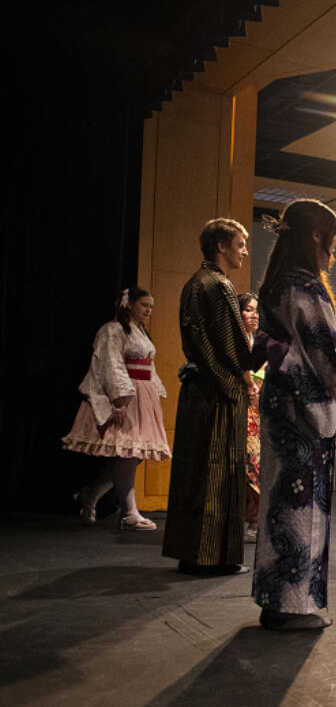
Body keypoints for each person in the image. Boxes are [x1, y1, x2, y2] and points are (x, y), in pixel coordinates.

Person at [250, 200, 336, 631]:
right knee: (303, 506)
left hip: (279, 401)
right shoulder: (306, 290)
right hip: (305, 408)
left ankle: (274, 598)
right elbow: (326, 354)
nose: (333, 249)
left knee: (278, 500)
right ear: (316, 237)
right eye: (332, 239)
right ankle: (294, 604)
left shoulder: (276, 287)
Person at [162, 218, 255, 577]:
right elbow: (230, 345)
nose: (244, 251)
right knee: (217, 471)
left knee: (195, 471)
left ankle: (193, 553)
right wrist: (245, 375)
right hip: (218, 391)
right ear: (221, 246)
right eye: (240, 244)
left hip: (199, 389)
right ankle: (210, 556)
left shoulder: (195, 284)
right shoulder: (217, 285)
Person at [63, 287, 170, 530]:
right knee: (128, 454)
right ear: (128, 304)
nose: (148, 311)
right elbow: (111, 364)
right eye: (144, 305)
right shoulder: (112, 330)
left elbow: (148, 365)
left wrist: (154, 393)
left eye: (151, 307)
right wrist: (119, 398)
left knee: (133, 454)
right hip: (127, 394)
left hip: (142, 394)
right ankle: (130, 512)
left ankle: (91, 495)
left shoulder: (142, 332)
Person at [238, 293, 263, 543]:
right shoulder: (236, 341)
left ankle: (253, 519)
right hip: (240, 410)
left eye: (256, 310)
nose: (254, 314)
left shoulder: (259, 342)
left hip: (258, 414)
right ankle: (246, 520)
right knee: (247, 465)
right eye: (248, 309)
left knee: (257, 465)